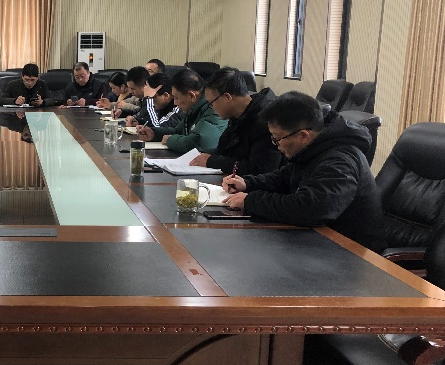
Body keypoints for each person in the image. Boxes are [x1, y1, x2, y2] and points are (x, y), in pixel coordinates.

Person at [222, 91, 385, 252]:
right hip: (318, 240)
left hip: (350, 252)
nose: (275, 145)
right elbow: (283, 178)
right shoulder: (315, 148)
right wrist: (247, 184)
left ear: (303, 135)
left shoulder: (339, 162)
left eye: (277, 139)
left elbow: (311, 209)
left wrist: (251, 201)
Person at [188, 67, 282, 175]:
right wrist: (203, 154)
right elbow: (224, 150)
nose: (212, 108)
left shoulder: (267, 121)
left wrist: (213, 161)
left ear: (227, 97)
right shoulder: (237, 115)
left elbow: (260, 169)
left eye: (211, 103)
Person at [139, 68, 227, 152]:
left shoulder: (213, 108)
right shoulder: (194, 108)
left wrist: (170, 140)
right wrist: (154, 133)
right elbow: (178, 131)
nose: (175, 103)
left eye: (177, 98)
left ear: (191, 96)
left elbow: (199, 142)